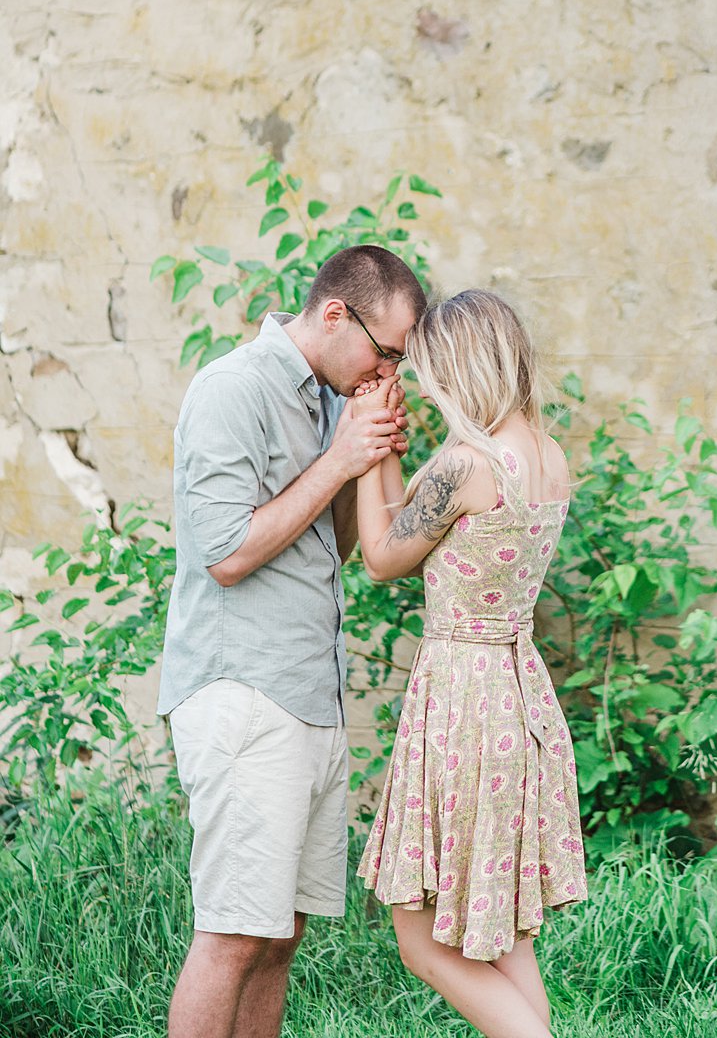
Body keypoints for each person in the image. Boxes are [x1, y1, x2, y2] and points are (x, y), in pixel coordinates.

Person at [158, 243, 427, 1038]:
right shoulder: (230, 391)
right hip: (245, 694)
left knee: (279, 937)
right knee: (234, 934)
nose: (387, 371)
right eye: (386, 352)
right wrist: (341, 456)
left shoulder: (329, 398)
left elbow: (335, 548)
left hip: (313, 697)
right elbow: (228, 553)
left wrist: (367, 458)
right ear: (337, 314)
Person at [353, 289, 587, 1038]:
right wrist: (390, 452)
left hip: (461, 700)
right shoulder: (546, 457)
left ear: (459, 365)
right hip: (517, 693)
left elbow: (384, 557)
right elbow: (408, 528)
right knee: (508, 934)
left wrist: (363, 451)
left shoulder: (465, 465)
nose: (421, 383)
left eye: (426, 369)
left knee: (417, 936)